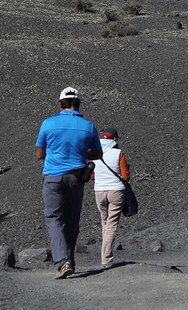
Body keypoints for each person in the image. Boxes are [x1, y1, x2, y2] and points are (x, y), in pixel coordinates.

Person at [35, 87, 102, 278]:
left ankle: (63, 261)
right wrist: (81, 153)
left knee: (54, 219)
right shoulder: (88, 126)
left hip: (53, 178)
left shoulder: (48, 124)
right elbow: (98, 153)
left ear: (60, 104)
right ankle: (69, 260)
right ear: (78, 103)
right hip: (76, 178)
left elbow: (39, 153)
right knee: (72, 220)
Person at [90, 127, 129, 268]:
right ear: (115, 139)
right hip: (116, 191)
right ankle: (106, 258)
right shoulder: (118, 153)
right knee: (112, 224)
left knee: (104, 222)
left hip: (99, 191)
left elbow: (92, 175)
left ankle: (105, 255)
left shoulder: (95, 154)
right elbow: (125, 176)